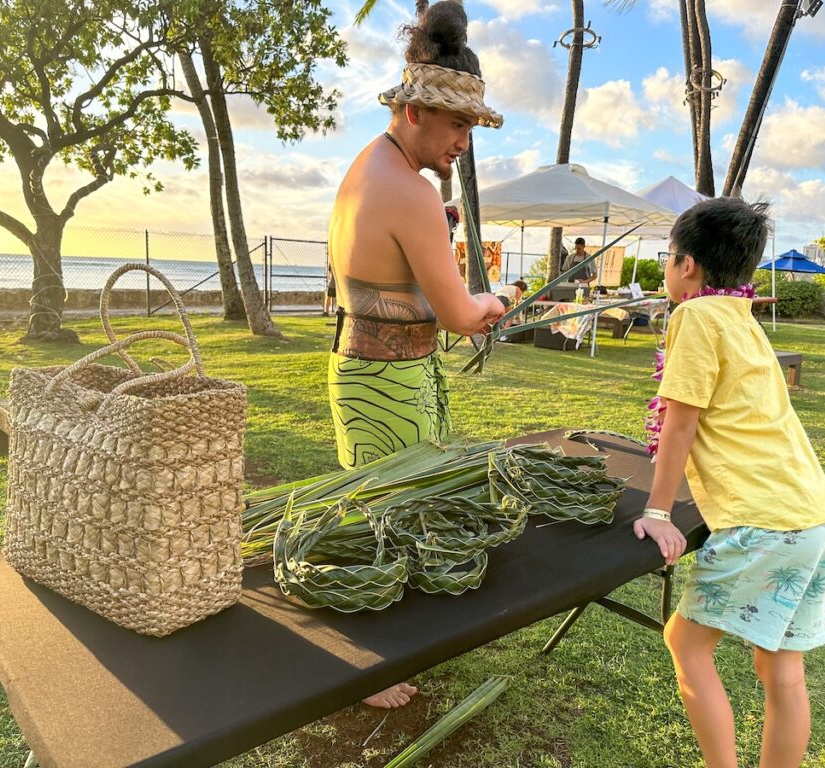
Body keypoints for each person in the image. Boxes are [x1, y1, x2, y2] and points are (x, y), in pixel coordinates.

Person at [326, 1, 505, 709]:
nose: (464, 140)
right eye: (457, 123)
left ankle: (375, 649)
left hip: (370, 365)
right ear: (415, 112)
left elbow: (388, 276)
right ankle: (366, 669)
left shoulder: (370, 166)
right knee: (385, 517)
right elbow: (462, 313)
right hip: (388, 379)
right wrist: (491, 307)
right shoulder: (411, 191)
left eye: (470, 126)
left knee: (377, 505)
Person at [635, 197, 825, 768]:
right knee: (780, 666)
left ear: (689, 265)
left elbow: (679, 421)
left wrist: (656, 512)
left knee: (686, 643)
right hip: (816, 515)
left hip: (763, 520)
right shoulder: (741, 317)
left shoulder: (695, 316)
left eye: (669, 258)